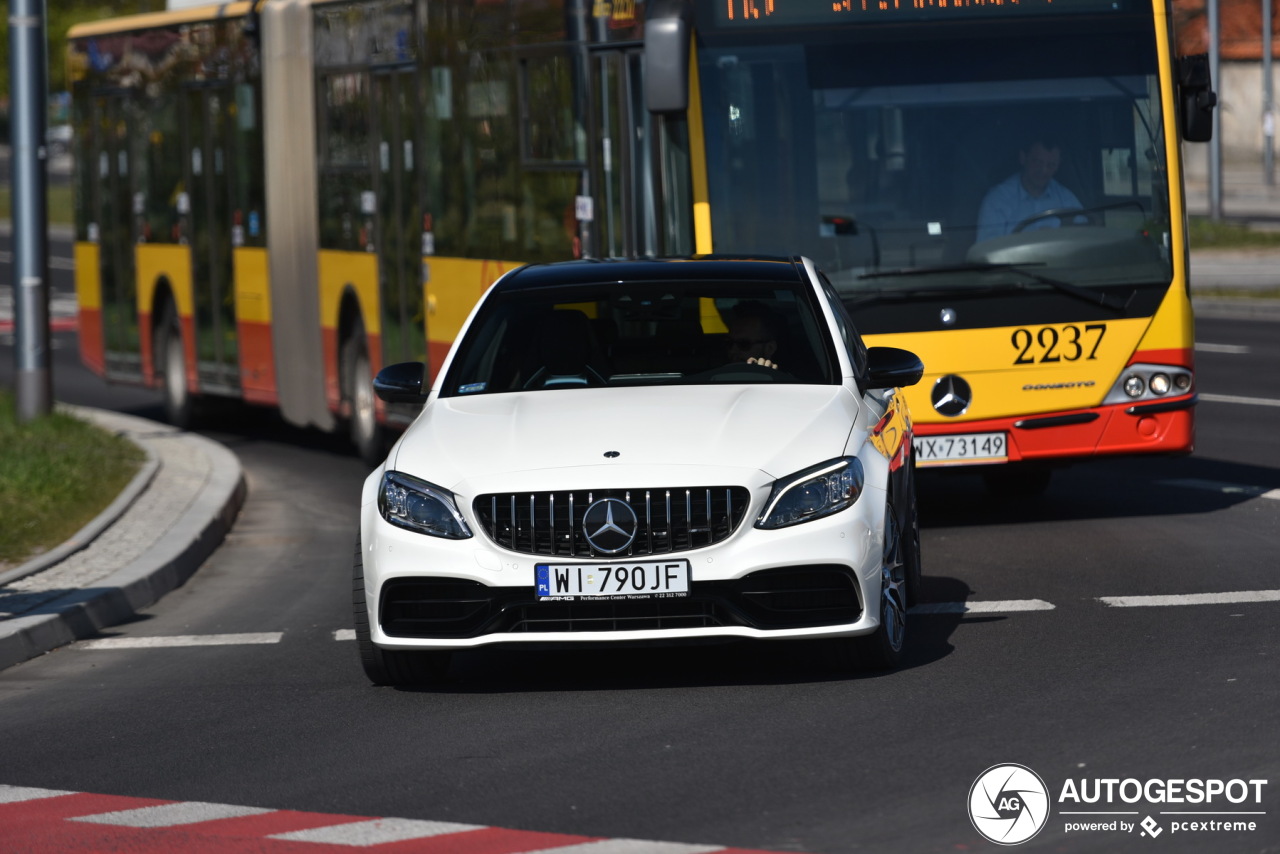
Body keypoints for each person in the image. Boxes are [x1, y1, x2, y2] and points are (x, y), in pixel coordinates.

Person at [976, 137, 1083, 242]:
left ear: (1058, 165)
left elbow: (1084, 238)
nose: (1043, 171)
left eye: (1051, 165)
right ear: (1023, 158)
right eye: (1037, 162)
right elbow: (987, 251)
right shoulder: (998, 200)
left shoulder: (1066, 199)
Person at [725, 300, 784, 370]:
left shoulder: (785, 379)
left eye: (744, 344)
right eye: (729, 343)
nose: (732, 350)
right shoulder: (714, 377)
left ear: (770, 348)